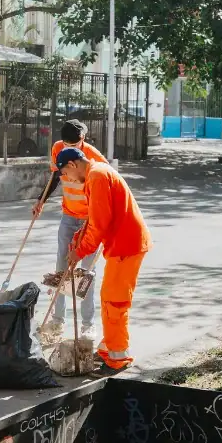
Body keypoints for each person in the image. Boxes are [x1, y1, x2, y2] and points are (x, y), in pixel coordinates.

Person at [57, 147, 151, 376]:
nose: (69, 180)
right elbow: (94, 219)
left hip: (126, 246)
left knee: (114, 302)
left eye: (66, 175)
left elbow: (99, 223)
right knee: (109, 298)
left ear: (71, 165)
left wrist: (79, 253)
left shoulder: (97, 177)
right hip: (124, 244)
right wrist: (77, 243)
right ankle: (110, 348)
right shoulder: (97, 173)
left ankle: (119, 357)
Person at [33, 120, 107, 339]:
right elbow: (56, 176)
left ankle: (87, 325)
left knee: (86, 273)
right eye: (66, 143)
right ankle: (57, 322)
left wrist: (99, 221)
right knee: (61, 269)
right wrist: (41, 201)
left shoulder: (94, 157)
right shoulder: (58, 148)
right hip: (68, 215)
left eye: (73, 144)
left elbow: (105, 186)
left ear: (83, 140)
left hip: (89, 220)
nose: (69, 148)